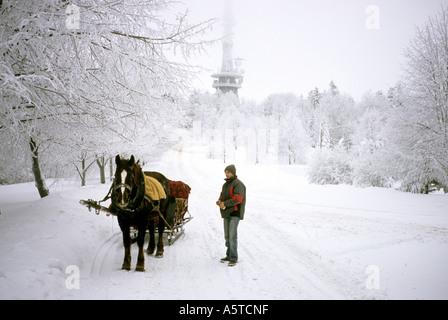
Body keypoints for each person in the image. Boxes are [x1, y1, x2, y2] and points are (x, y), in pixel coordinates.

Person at [216, 164, 246, 267]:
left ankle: (233, 258)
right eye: (225, 172)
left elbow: (238, 198)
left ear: (233, 173)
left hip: (234, 213)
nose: (226, 174)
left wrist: (226, 204)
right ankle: (228, 255)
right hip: (226, 213)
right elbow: (221, 195)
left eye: (228, 172)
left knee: (232, 236)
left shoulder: (238, 184)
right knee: (227, 236)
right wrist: (220, 201)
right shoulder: (225, 185)